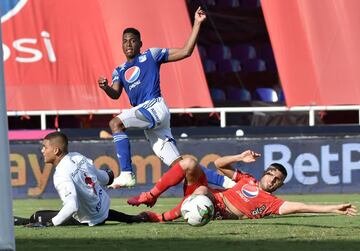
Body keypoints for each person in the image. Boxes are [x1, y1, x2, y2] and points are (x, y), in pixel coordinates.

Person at [97, 7, 207, 189]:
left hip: (154, 107)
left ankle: (126, 174)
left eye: (133, 41)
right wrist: (106, 87)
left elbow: (186, 51)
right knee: (180, 167)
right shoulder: (119, 70)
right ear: (121, 45)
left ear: (140, 43)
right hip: (150, 121)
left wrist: (197, 23)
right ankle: (216, 188)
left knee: (115, 124)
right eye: (125, 41)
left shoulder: (151, 55)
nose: (128, 44)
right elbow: (115, 94)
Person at [127, 150, 357, 222]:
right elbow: (217, 164)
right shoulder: (248, 180)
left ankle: (163, 217)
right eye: (270, 174)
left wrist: (333, 208)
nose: (271, 179)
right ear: (264, 173)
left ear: (280, 185)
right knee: (188, 162)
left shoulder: (272, 204)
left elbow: (299, 206)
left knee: (204, 192)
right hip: (205, 198)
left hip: (215, 209)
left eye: (276, 179)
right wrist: (240, 156)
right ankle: (151, 195)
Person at [14, 131, 139, 227]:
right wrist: (110, 175)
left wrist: (50, 223)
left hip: (90, 219)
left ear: (56, 150)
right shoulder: (78, 156)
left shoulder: (61, 173)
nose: (42, 150)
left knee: (37, 216)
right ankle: (135, 218)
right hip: (103, 209)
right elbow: (103, 178)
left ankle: (17, 221)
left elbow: (72, 206)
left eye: (45, 147)